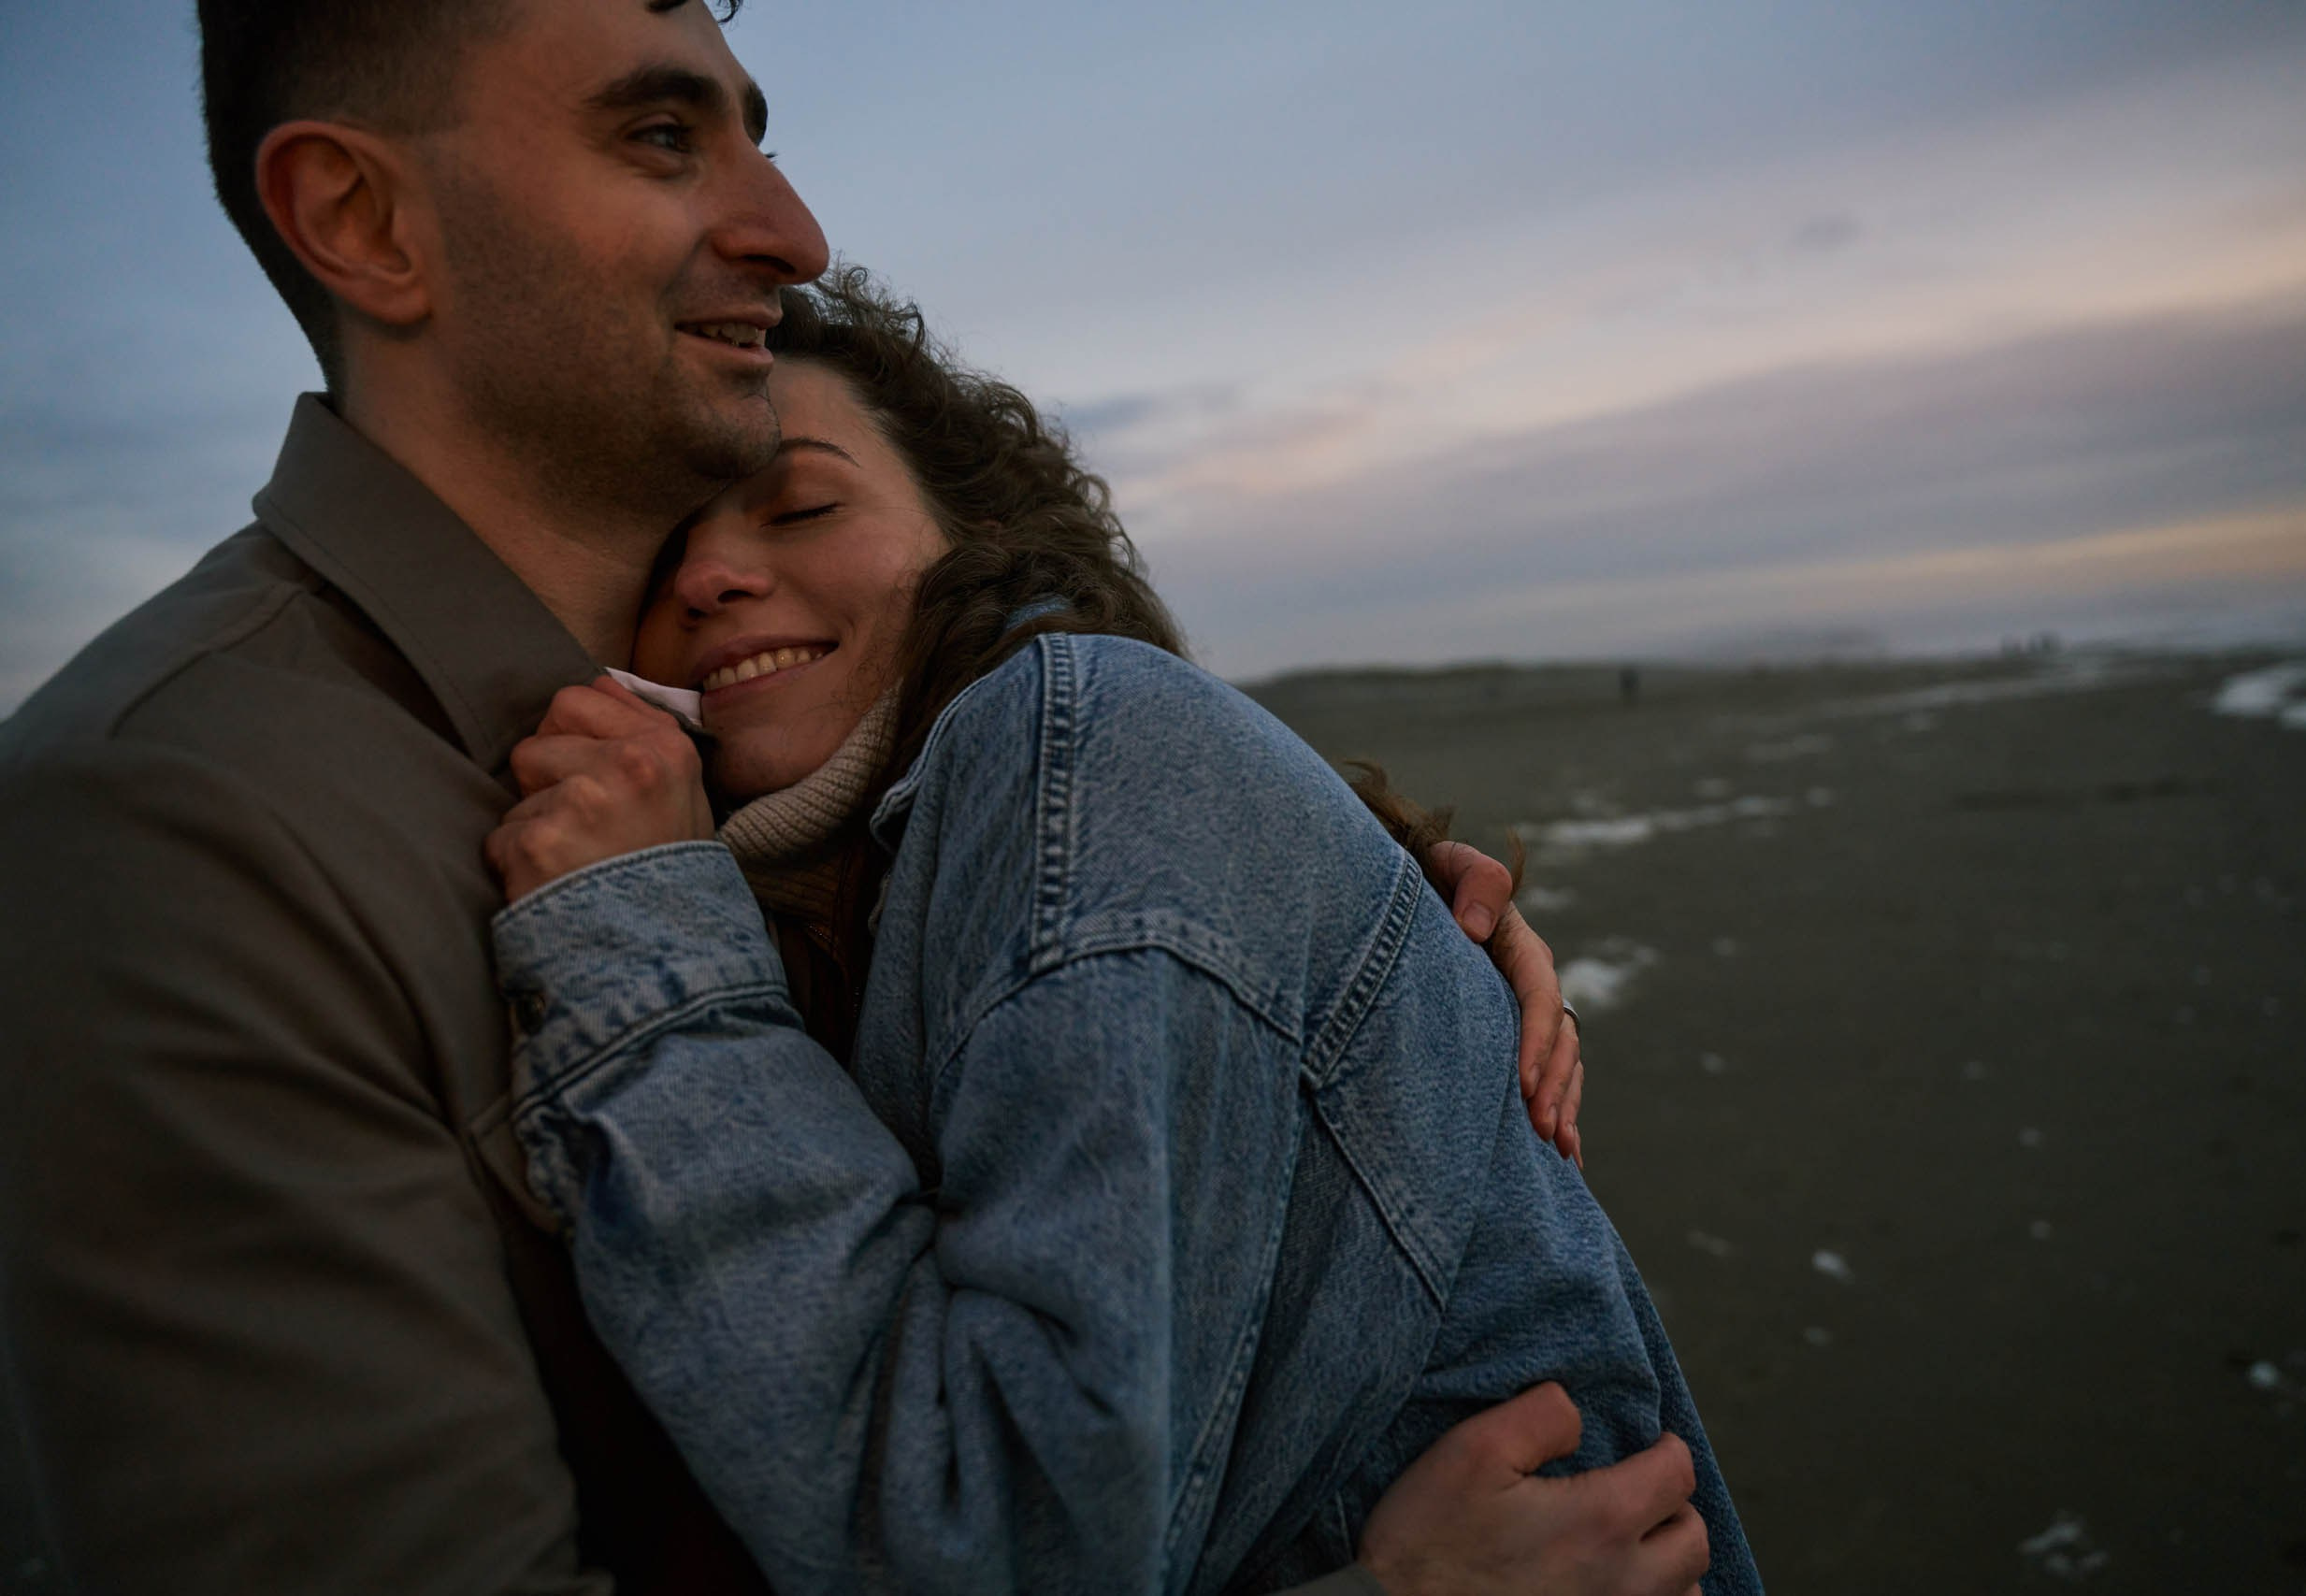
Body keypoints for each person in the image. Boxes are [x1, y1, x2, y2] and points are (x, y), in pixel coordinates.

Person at [0, 3, 1693, 1592]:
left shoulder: (801, 817)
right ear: (363, 220)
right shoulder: (171, 820)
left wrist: (1357, 925)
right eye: (660, 134)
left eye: (756, 132)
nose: (793, 229)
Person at [481, 267, 1760, 1593]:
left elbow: (1005, 1544)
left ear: (977, 537)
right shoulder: (873, 915)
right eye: (664, 549)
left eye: (800, 504)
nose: (711, 575)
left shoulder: (1072, 738)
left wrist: (645, 957)